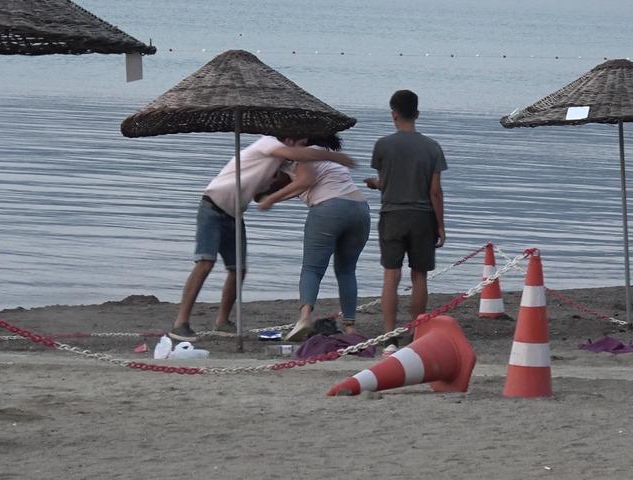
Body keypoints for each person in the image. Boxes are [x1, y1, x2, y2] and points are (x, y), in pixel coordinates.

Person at [168, 135, 355, 342]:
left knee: (238, 270)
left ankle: (222, 321)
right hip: (212, 207)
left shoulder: (277, 163)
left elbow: (260, 196)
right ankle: (180, 323)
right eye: (301, 143)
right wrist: (335, 157)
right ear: (288, 140)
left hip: (234, 215)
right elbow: (295, 155)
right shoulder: (267, 142)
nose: (303, 149)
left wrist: (275, 190)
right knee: (205, 262)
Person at [257, 134, 371, 341]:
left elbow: (304, 182)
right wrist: (274, 198)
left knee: (312, 268)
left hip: (328, 209)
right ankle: (349, 327)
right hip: (360, 209)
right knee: (347, 270)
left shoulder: (301, 156)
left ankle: (305, 318)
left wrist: (271, 199)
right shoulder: (324, 152)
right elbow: (301, 183)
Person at [365, 89, 447, 356]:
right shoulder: (432, 147)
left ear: (393, 114)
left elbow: (385, 183)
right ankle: (417, 332)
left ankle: (389, 337)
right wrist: (440, 224)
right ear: (418, 113)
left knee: (391, 274)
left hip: (392, 215)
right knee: (419, 275)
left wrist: (375, 185)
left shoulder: (383, 145)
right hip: (422, 216)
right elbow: (435, 191)